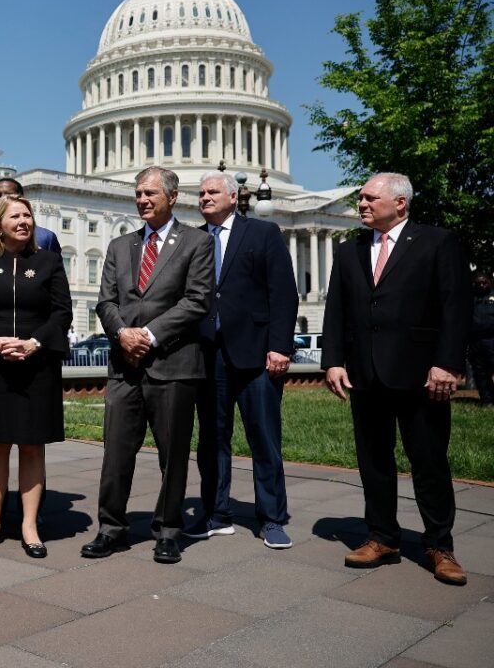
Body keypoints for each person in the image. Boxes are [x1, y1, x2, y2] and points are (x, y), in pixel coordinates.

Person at [322, 172, 471, 585]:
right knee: (374, 462)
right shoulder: (349, 250)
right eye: (361, 199)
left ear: (400, 203)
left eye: (370, 198)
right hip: (365, 374)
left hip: (422, 374)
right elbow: (337, 308)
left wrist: (448, 364)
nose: (362, 205)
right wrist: (333, 361)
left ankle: (440, 545)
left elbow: (455, 307)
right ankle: (382, 537)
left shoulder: (437, 242)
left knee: (429, 462)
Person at [86, 166, 213, 565]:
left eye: (150, 194)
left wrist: (150, 334)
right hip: (124, 366)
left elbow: (196, 300)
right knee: (116, 452)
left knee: (172, 454)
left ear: (172, 197)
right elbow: (105, 302)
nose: (141, 200)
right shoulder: (120, 246)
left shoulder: (197, 243)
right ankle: (111, 528)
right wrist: (123, 334)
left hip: (173, 364)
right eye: (138, 193)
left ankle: (168, 530)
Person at [0, 195, 72, 559]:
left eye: (27, 215)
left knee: (32, 444)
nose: (23, 221)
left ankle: (29, 524)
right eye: (15, 216)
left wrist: (35, 342)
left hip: (36, 365)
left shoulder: (50, 261)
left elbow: (62, 311)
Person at [189, 171, 298, 549]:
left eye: (212, 192)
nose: (204, 198)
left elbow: (283, 293)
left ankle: (271, 518)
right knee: (212, 440)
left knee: (264, 439)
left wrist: (280, 347)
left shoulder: (263, 234)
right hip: (208, 353)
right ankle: (216, 513)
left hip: (256, 354)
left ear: (234, 196)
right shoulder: (193, 238)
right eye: (201, 193)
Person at [468, 272, 494, 408]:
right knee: (480, 373)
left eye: (484, 282)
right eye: (478, 283)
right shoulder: (469, 299)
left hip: (492, 340)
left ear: (489, 282)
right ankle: (486, 400)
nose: (481, 285)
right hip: (475, 342)